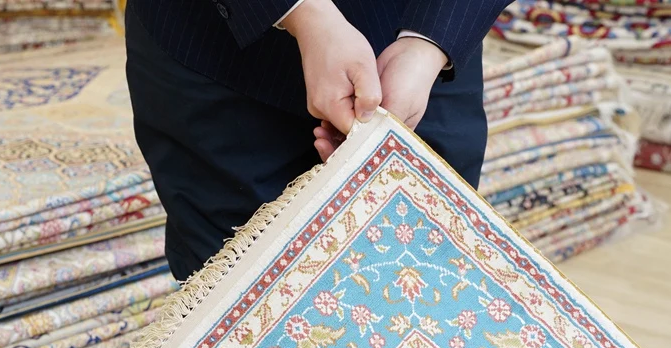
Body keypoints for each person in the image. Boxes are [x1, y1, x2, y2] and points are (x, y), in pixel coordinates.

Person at [124, 0, 508, 280]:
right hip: (217, 50)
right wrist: (306, 14)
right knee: (241, 308)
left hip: (424, 39)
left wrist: (427, 45)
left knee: (434, 281)